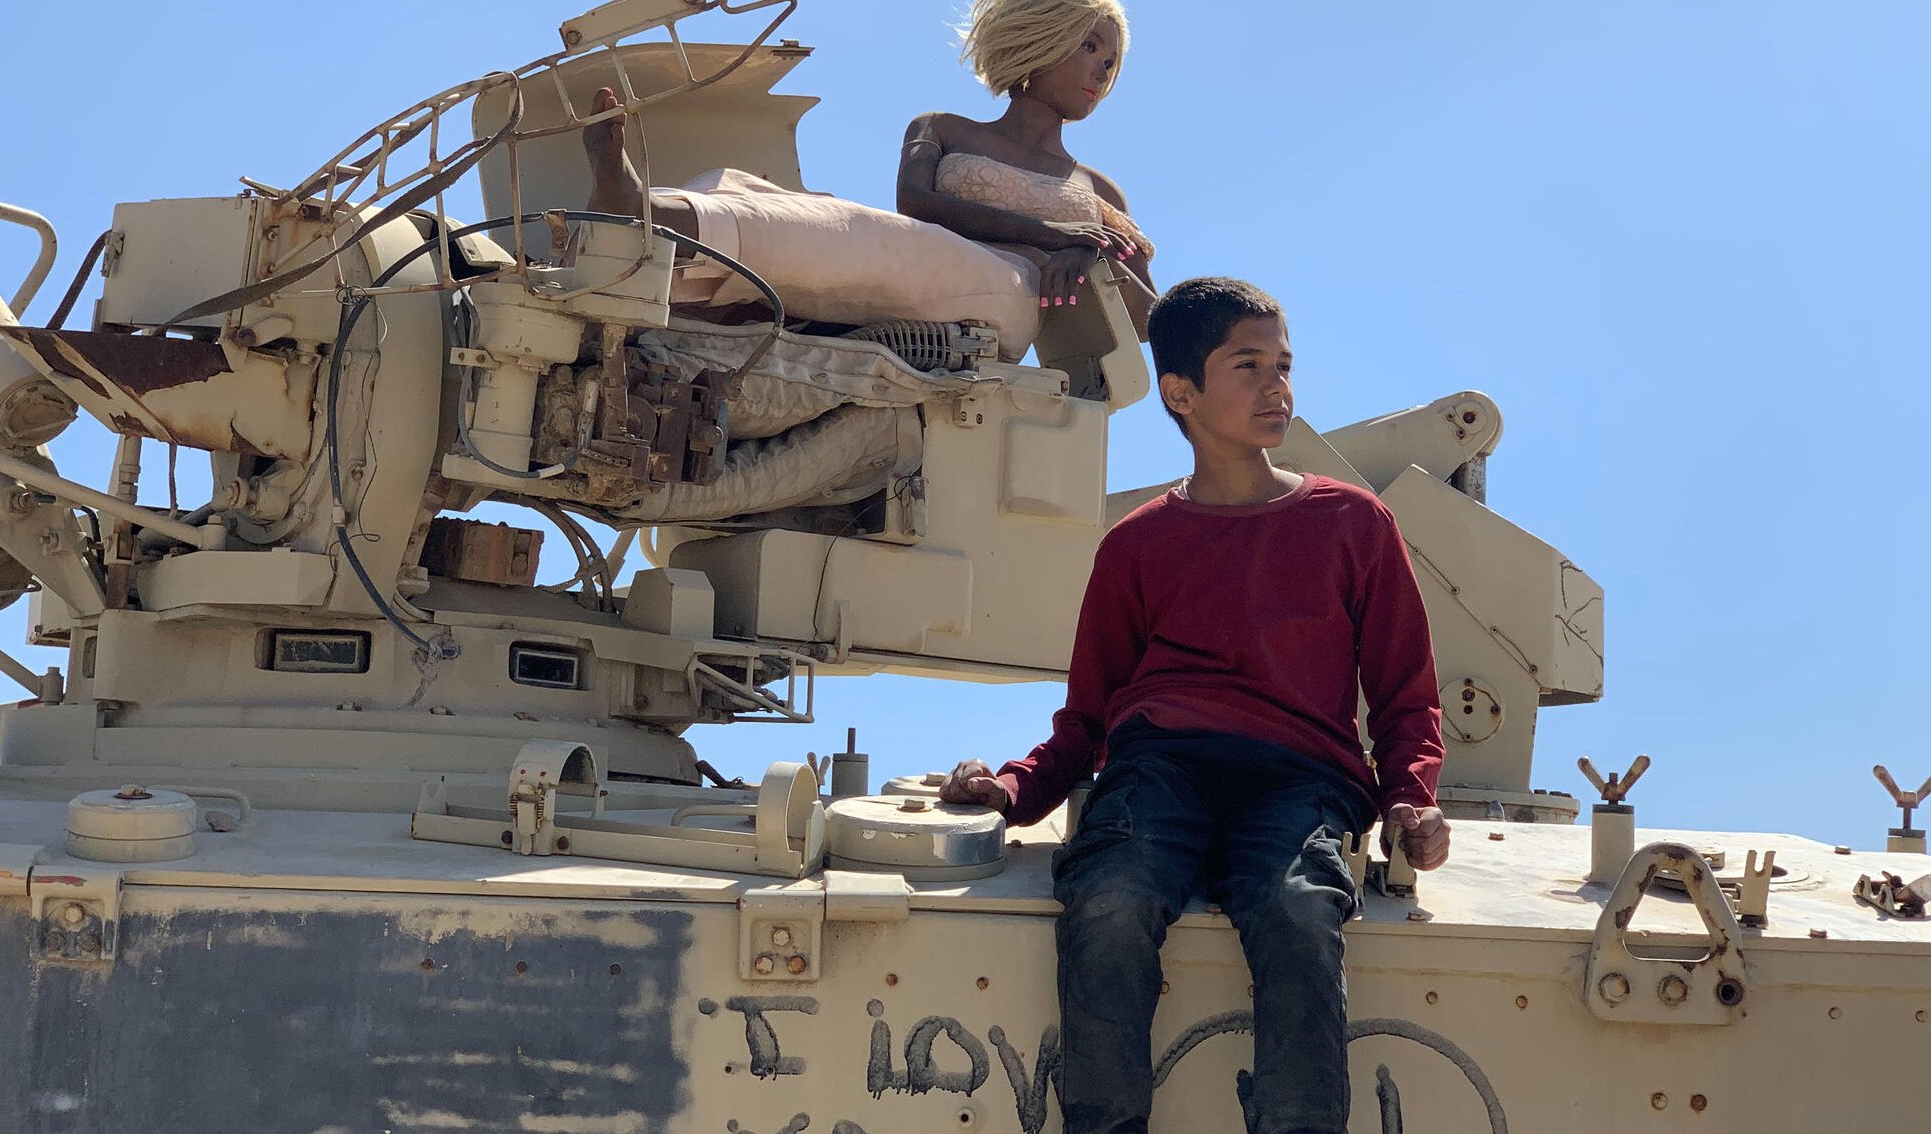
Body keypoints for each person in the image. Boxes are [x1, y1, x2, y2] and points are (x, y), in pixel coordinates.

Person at [939, 277, 1451, 1134]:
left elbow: (1406, 693)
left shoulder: (1352, 524)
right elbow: (1089, 719)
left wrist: (1410, 797)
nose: (1277, 387)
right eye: (1247, 366)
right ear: (1179, 392)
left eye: (1283, 365)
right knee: (1109, 900)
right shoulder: (1137, 546)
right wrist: (1015, 790)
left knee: (1296, 907)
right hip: (1160, 771)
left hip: (1301, 782)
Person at [581, 0, 1155, 357]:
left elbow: (1149, 320)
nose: (1103, 69)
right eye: (1090, 45)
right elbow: (917, 202)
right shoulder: (941, 127)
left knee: (859, 233)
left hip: (1007, 304)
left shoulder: (1098, 192)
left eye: (1113, 59)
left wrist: (1090, 258)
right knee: (789, 202)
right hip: (921, 262)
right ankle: (639, 225)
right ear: (1041, 39)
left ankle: (639, 211)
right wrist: (1058, 236)